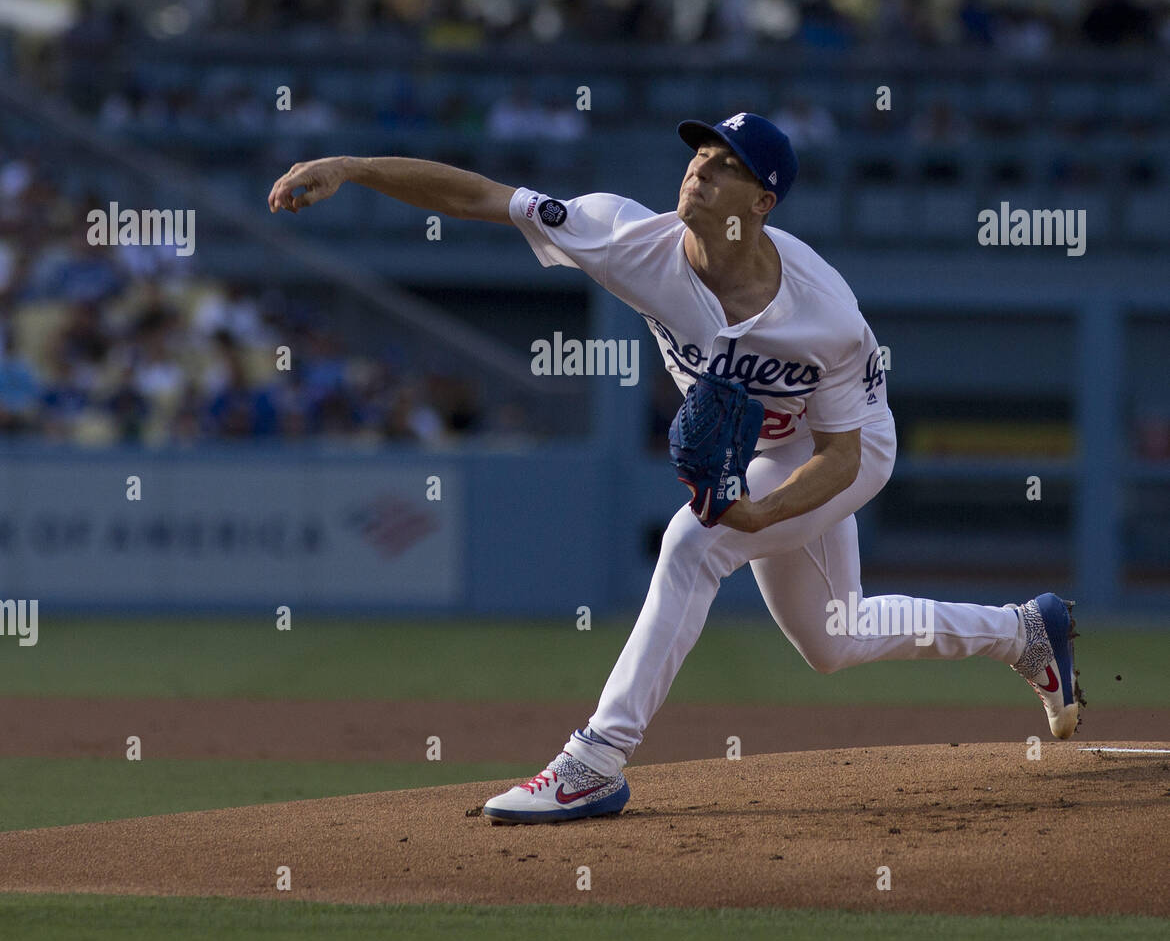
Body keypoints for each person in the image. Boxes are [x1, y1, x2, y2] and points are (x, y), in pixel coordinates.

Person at [267, 113, 1084, 825]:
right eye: (701, 151)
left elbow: (840, 454)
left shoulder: (824, 315)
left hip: (846, 450)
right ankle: (1025, 630)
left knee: (693, 542)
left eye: (728, 163)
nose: (702, 165)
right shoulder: (629, 239)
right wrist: (354, 169)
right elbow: (484, 196)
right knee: (835, 641)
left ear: (762, 204)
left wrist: (759, 516)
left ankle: (595, 762)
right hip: (772, 447)